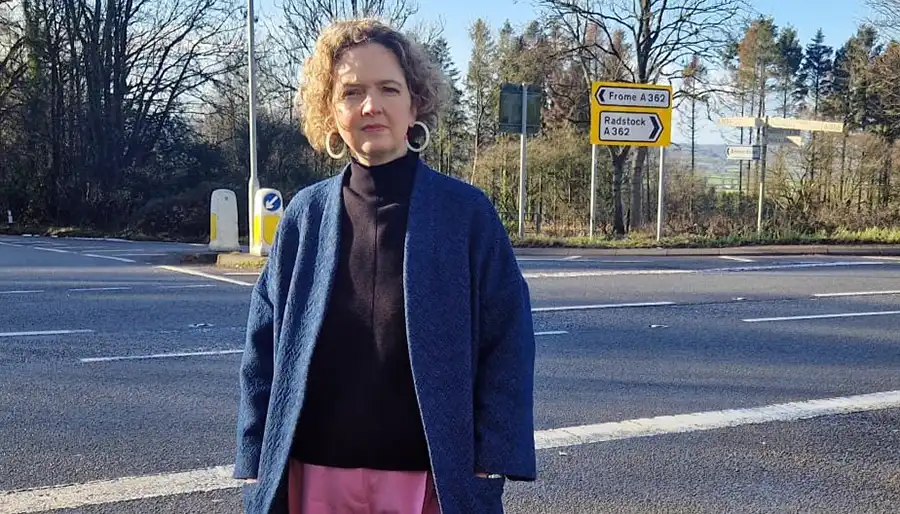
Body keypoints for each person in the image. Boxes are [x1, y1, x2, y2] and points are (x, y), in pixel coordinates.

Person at [233, 18, 536, 514]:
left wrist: (492, 456)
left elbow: (507, 340)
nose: (370, 105)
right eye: (351, 92)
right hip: (315, 475)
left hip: (432, 479)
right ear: (331, 111)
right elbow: (262, 347)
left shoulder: (466, 213)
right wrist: (254, 451)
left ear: (415, 103)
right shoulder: (304, 216)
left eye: (388, 89)